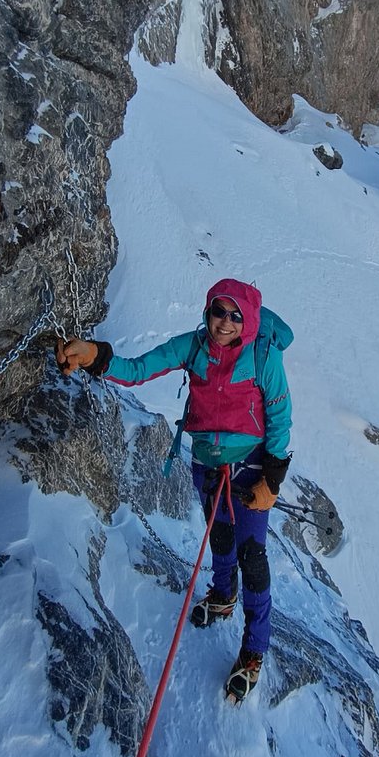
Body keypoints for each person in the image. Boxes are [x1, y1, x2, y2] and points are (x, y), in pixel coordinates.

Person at [55, 278, 292, 703]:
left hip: (250, 465)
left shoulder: (263, 356)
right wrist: (96, 356)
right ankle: (223, 595)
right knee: (219, 536)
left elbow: (280, 416)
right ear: (208, 311)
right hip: (207, 461)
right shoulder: (194, 346)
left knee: (252, 556)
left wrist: (270, 481)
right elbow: (141, 368)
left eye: (236, 316)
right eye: (219, 311)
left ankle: (254, 649)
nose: (225, 322)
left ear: (250, 320)